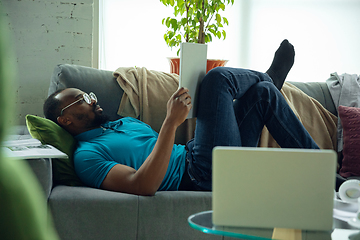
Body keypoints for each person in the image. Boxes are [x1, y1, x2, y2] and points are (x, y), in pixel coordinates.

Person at [43, 39, 319, 196]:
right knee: (217, 79)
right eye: (82, 100)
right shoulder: (87, 156)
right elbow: (143, 185)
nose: (93, 100)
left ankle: (324, 172)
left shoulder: (121, 123)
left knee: (262, 95)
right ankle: (269, 78)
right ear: (64, 120)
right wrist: (170, 122)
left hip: (203, 158)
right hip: (198, 174)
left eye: (90, 95)